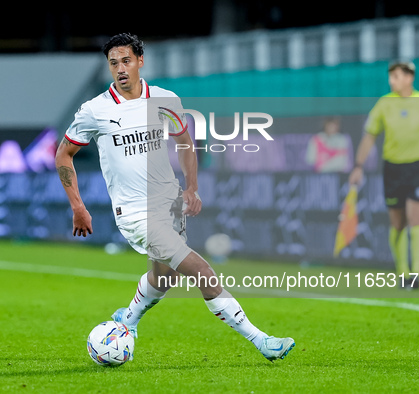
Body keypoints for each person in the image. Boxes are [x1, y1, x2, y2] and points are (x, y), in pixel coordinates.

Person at [55, 33, 294, 361]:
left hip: (168, 205)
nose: (120, 69)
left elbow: (185, 140)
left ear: (140, 61)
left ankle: (130, 317)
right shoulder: (95, 110)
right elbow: (63, 155)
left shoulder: (165, 99)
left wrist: (191, 188)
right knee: (202, 272)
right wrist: (78, 207)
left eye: (126, 61)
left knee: (162, 277)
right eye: (113, 63)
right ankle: (262, 341)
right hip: (135, 214)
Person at [349, 61, 419, 289]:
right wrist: (358, 165)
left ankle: (417, 274)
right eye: (390, 76)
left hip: (418, 167)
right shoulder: (384, 103)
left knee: (417, 219)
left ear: (409, 77)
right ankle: (402, 272)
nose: (391, 81)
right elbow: (369, 136)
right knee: (398, 223)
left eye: (396, 76)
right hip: (393, 168)